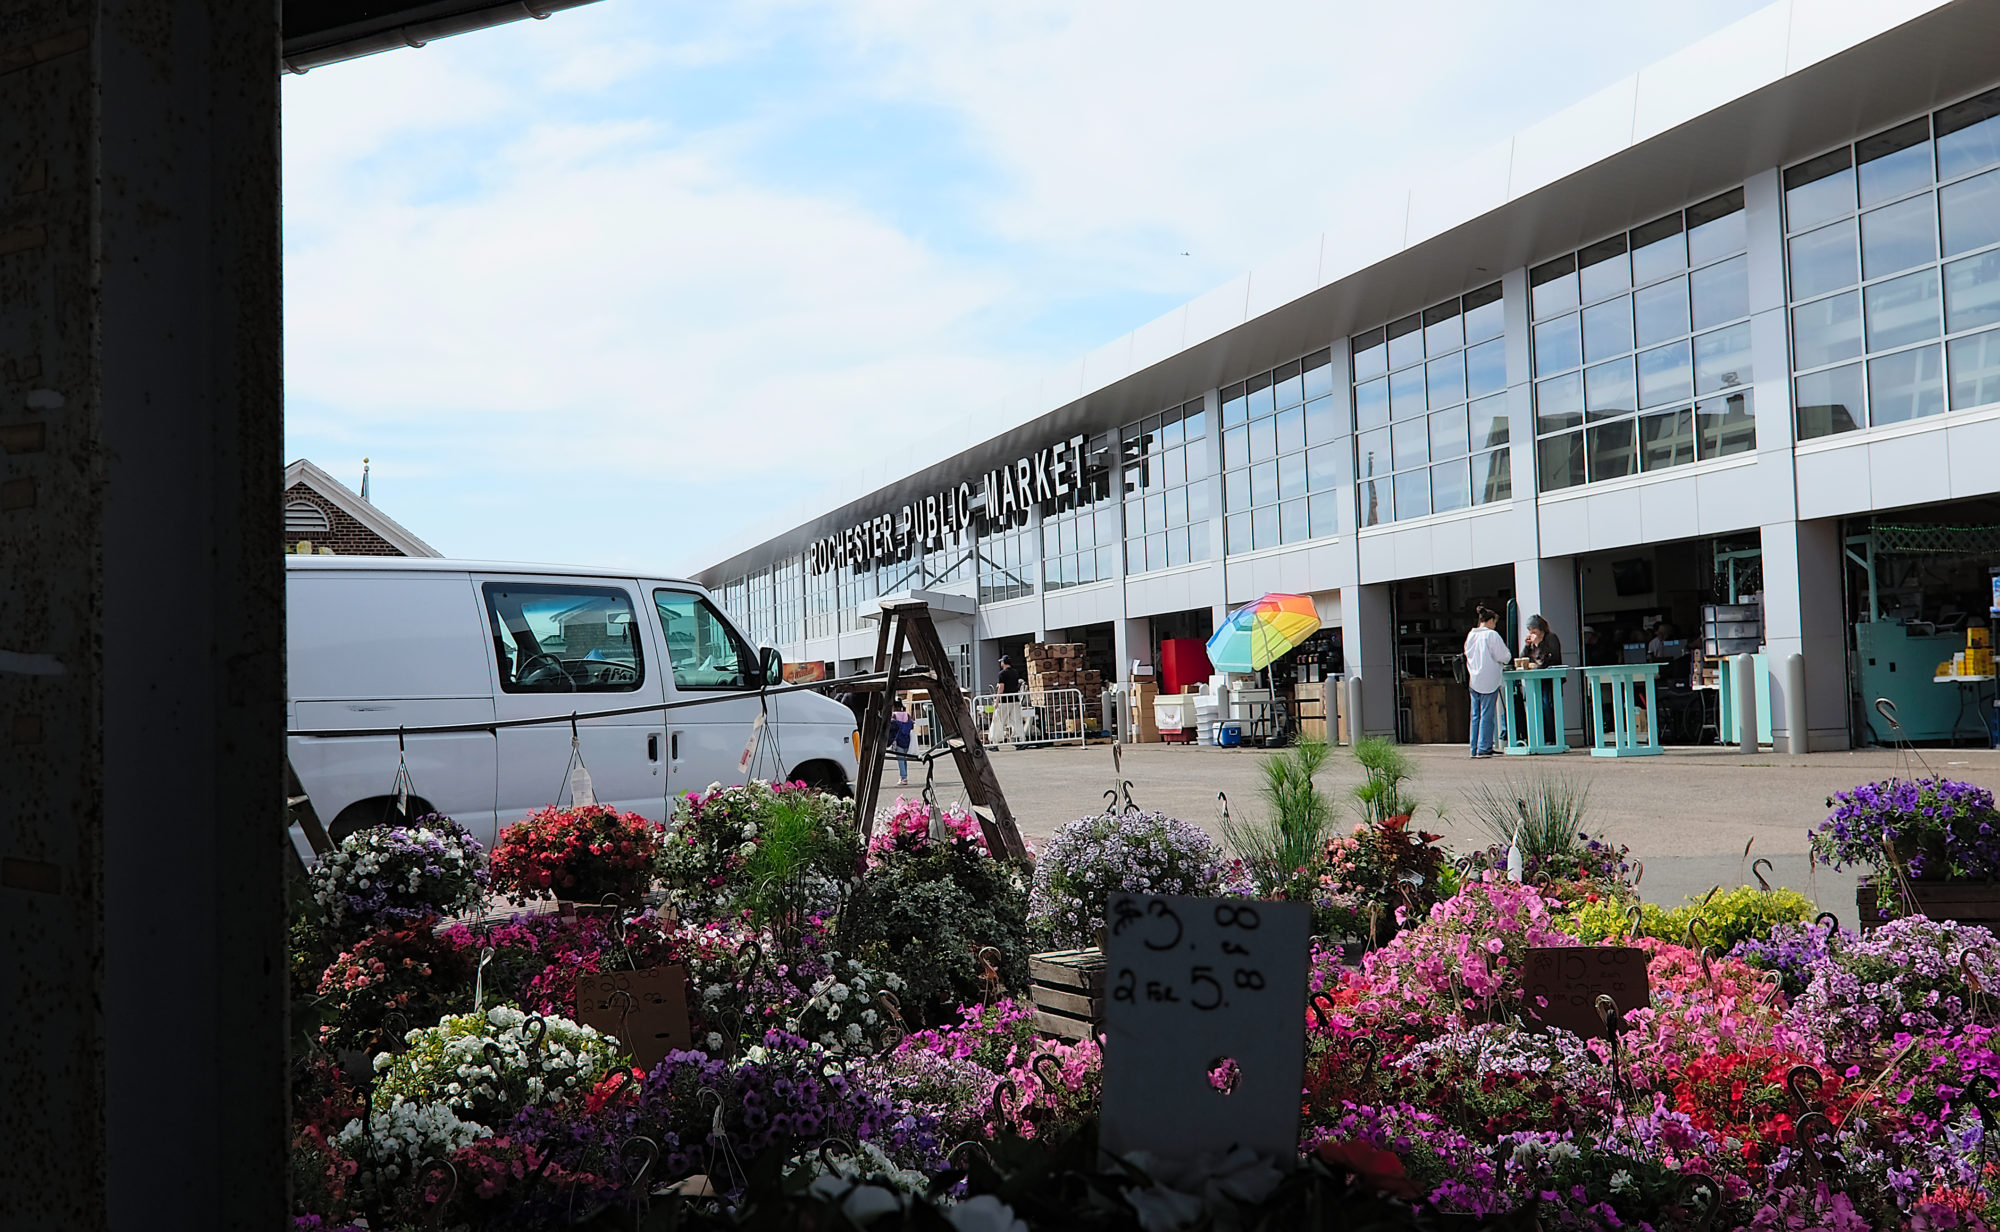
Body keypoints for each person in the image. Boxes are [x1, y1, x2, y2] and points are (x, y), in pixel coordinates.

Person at [1463, 605, 1509, 758]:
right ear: (1490, 621)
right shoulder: (1491, 635)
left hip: (1474, 678)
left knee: (1475, 714)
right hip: (1489, 678)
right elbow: (1503, 655)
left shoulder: (1471, 635)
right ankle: (1484, 747)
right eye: (1494, 622)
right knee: (1487, 714)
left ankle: (1474, 747)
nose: (1494, 625)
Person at [1521, 614, 1563, 742]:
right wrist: (1527, 646)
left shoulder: (1551, 638)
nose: (1531, 632)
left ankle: (1551, 737)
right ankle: (1539, 736)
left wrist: (1539, 644)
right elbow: (1523, 657)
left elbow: (1552, 657)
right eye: (1529, 630)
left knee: (1547, 706)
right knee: (1535, 706)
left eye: (1534, 630)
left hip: (1549, 679)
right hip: (1535, 679)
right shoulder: (1532, 643)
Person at [988, 653, 1025, 748]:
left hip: (1004, 701)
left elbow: (1001, 688)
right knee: (1016, 721)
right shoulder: (1015, 672)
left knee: (998, 720)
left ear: (1003, 662)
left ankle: (995, 742)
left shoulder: (1002, 674)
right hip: (1014, 700)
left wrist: (997, 700)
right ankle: (1020, 740)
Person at [888, 699, 915, 786]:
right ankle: (905, 776)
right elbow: (911, 725)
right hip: (907, 740)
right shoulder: (907, 715)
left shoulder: (894, 716)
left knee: (900, 759)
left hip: (898, 740)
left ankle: (903, 778)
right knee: (904, 759)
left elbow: (892, 728)